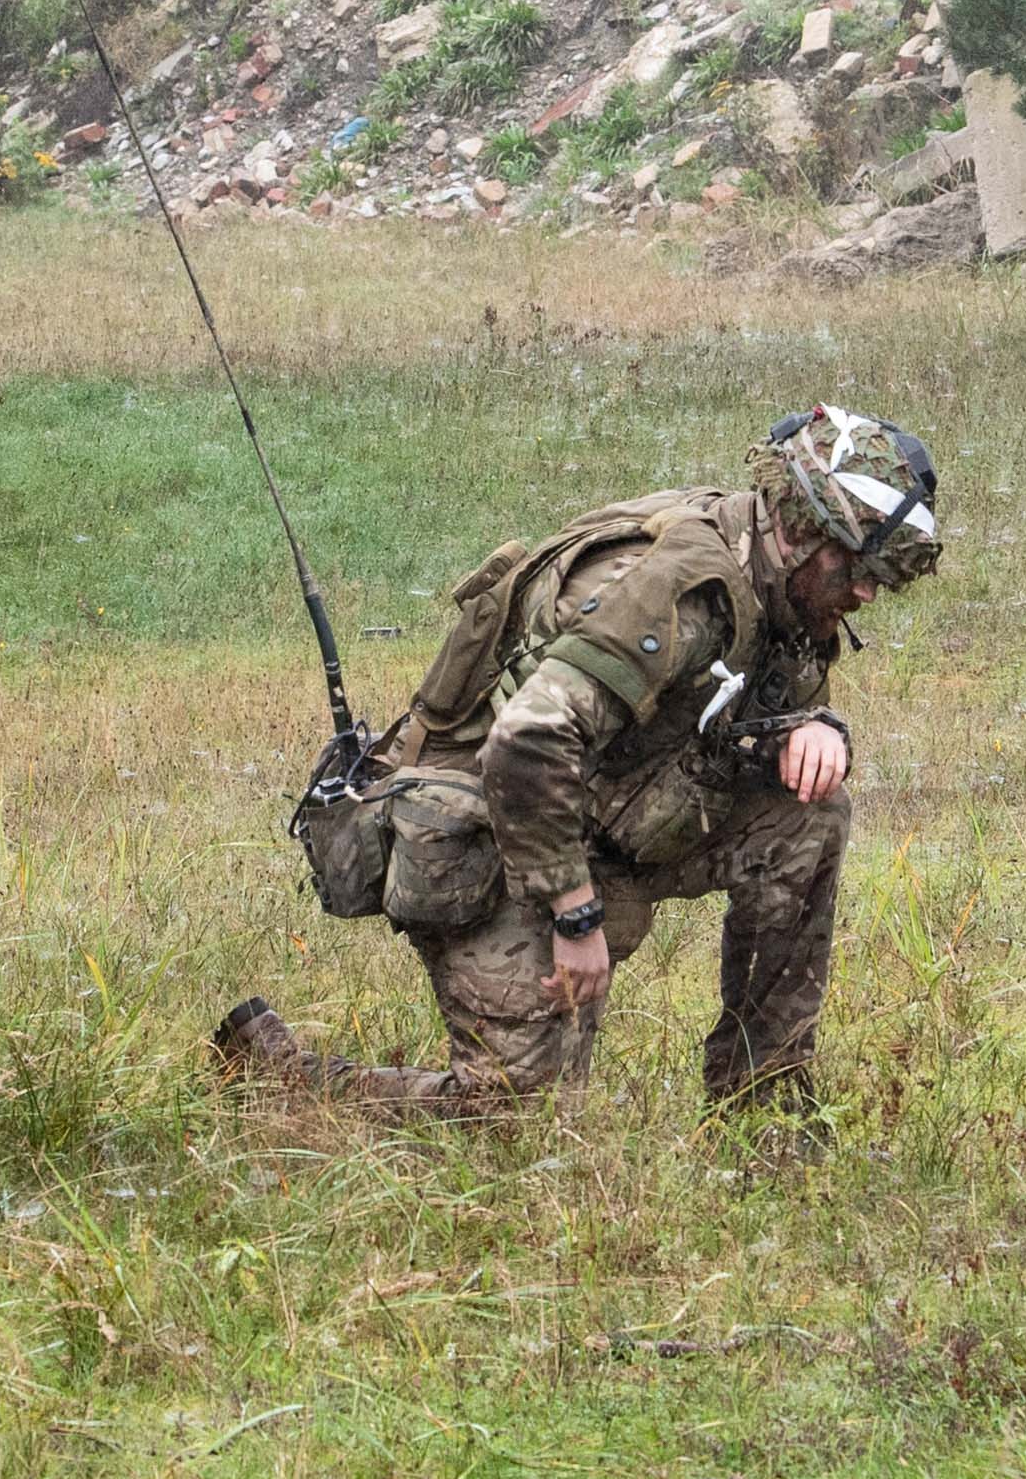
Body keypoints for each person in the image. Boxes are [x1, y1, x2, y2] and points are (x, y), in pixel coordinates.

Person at [214, 405, 944, 1115]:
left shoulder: (778, 577)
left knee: (808, 816)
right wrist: (574, 916)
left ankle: (763, 1098)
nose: (868, 590)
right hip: (485, 827)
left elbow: (727, 706)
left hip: (596, 808)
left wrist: (817, 729)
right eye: (857, 566)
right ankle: (280, 1078)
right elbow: (528, 740)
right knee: (514, 1116)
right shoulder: (679, 592)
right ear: (802, 526)